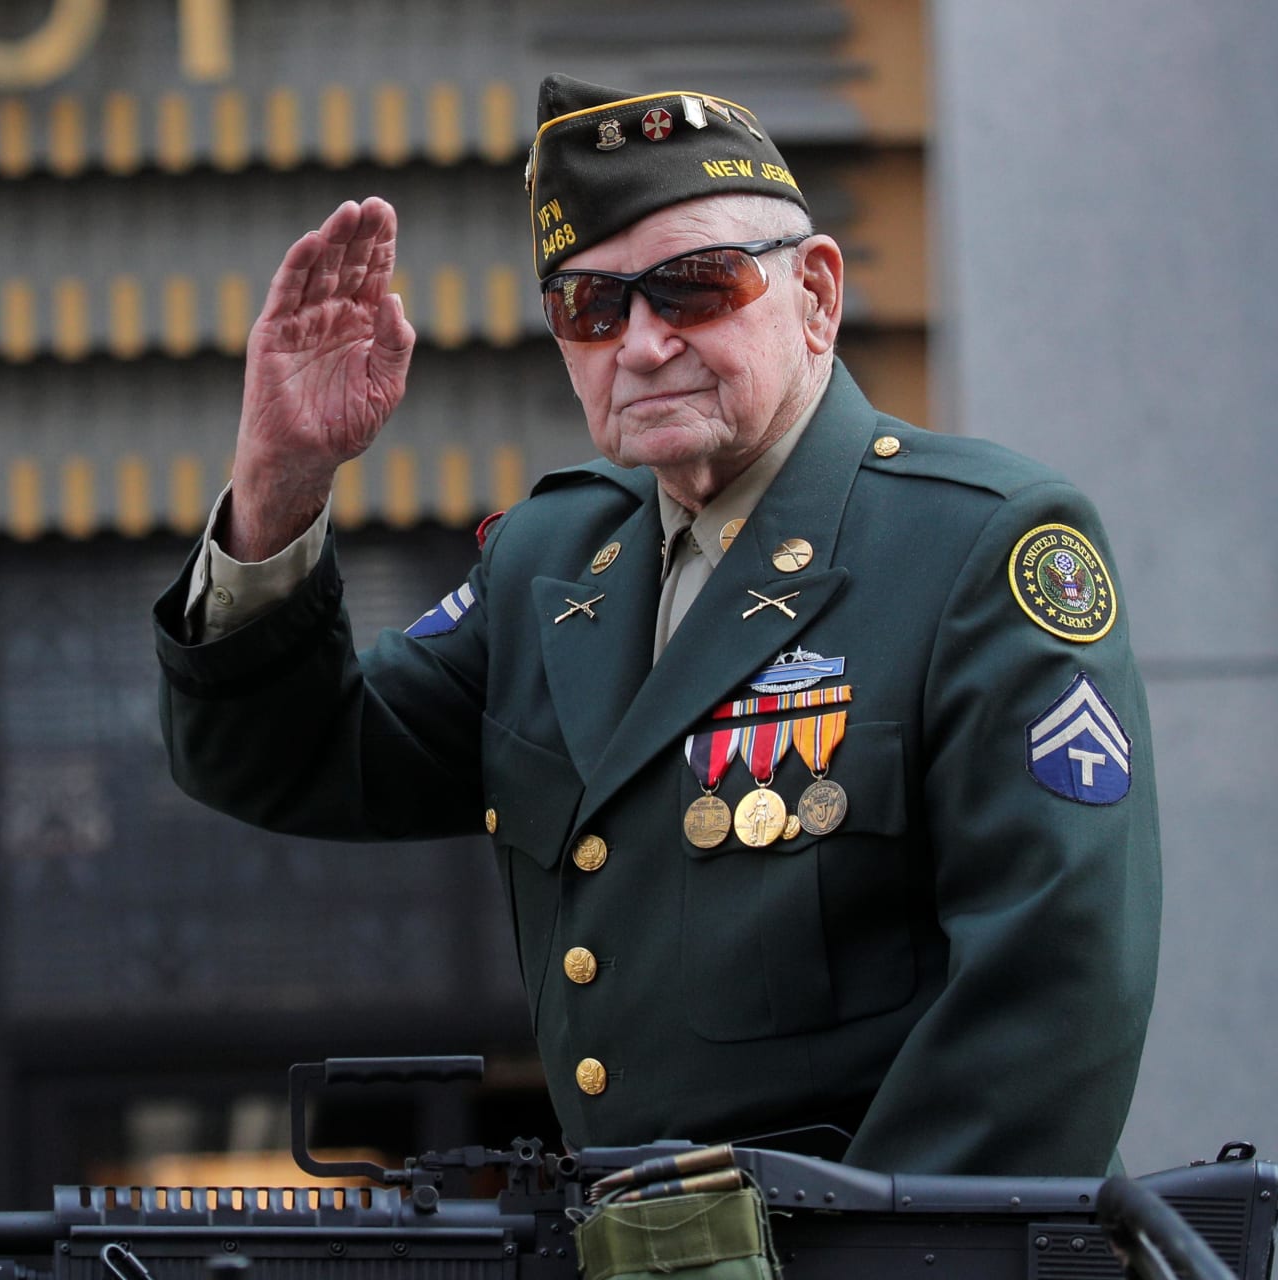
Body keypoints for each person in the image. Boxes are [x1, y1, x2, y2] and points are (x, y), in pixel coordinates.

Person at [152, 75, 1160, 1176]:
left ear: (816, 294)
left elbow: (1051, 986)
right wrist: (280, 482)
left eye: (693, 288)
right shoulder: (552, 557)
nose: (639, 343)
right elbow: (291, 759)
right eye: (591, 307)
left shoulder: (978, 546)